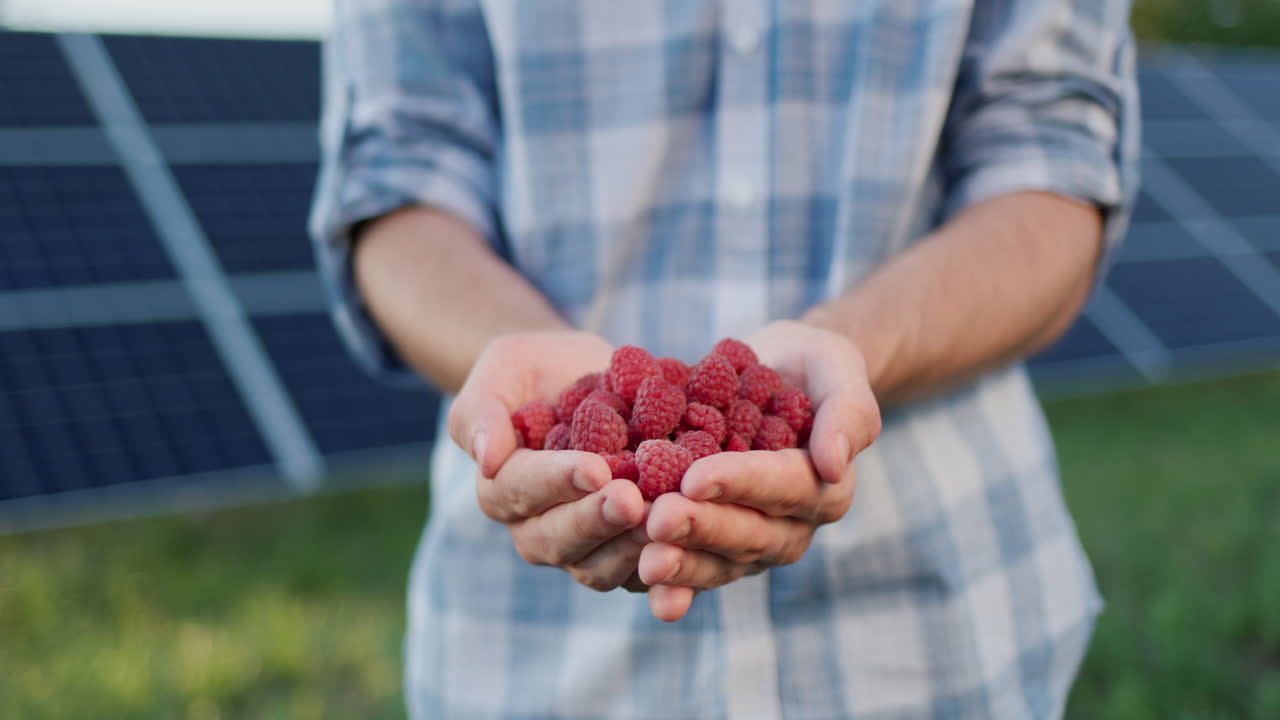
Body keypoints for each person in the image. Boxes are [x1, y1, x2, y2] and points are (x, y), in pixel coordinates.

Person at [311, 0, 1138, 717]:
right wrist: (519, 365)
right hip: (528, 660)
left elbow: (1052, 163)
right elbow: (395, 177)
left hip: (939, 630)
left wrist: (859, 342)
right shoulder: (633, 411)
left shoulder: (721, 411)